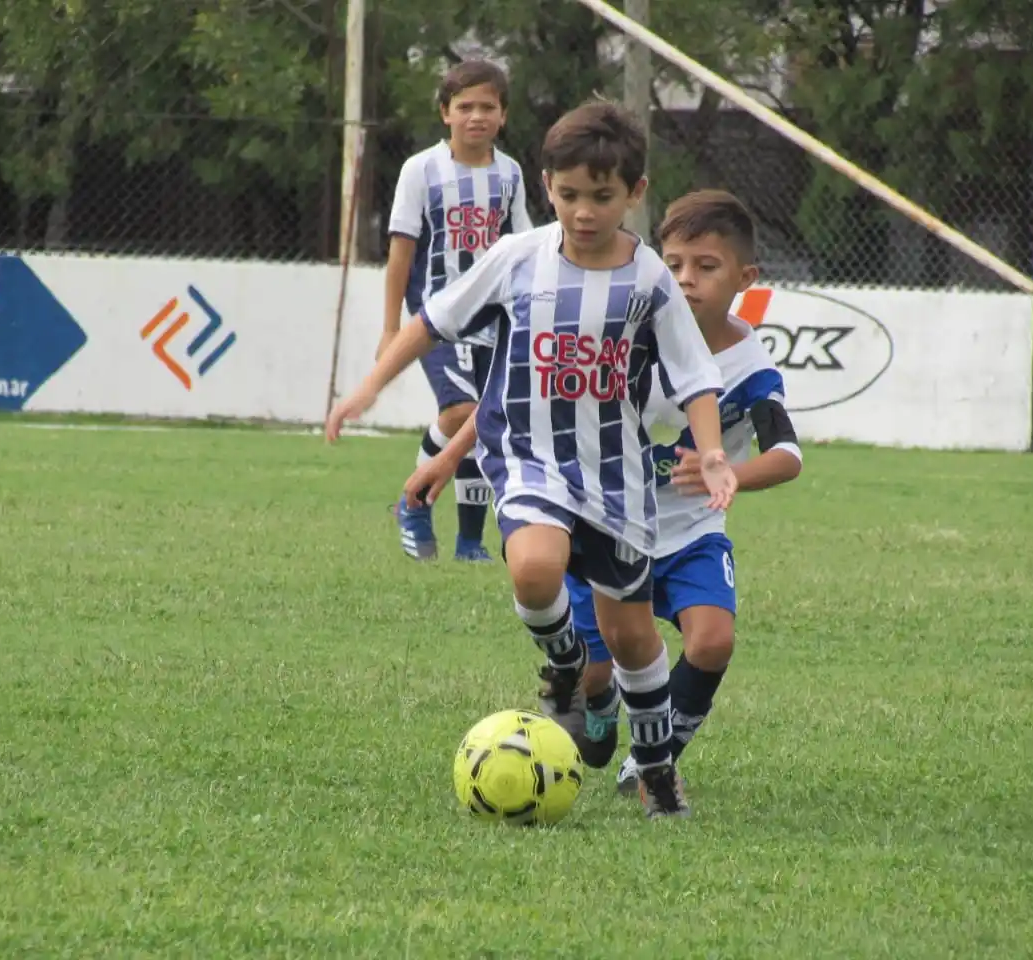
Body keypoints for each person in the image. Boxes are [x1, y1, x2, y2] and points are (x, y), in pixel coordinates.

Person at [328, 100, 738, 819]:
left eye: (602, 197)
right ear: (547, 185)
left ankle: (656, 767)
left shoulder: (648, 281)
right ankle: (564, 664)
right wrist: (366, 388)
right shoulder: (518, 259)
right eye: (570, 194)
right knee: (533, 566)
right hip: (531, 462)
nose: (584, 211)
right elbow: (432, 322)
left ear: (635, 194)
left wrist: (712, 454)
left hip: (616, 481)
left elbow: (696, 375)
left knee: (635, 639)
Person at [404, 190, 803, 796]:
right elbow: (517, 399)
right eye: (674, 264)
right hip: (603, 519)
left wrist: (727, 474)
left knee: (714, 640)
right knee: (597, 689)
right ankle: (596, 705)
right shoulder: (626, 321)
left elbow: (787, 455)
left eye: (706, 266)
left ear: (746, 277)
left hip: (691, 533)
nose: (686, 280)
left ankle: (652, 765)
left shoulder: (748, 367)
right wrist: (449, 457)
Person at [381, 58, 534, 563]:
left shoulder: (510, 174)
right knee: (460, 411)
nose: (476, 116)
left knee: (487, 423)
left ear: (503, 115)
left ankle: (471, 541)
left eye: (487, 106)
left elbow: (521, 247)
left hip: (494, 320)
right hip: (439, 318)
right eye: (464, 106)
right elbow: (401, 252)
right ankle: (415, 500)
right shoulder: (421, 169)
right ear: (445, 113)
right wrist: (391, 330)